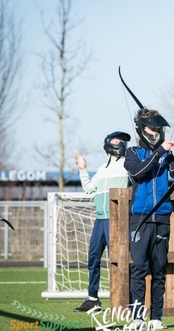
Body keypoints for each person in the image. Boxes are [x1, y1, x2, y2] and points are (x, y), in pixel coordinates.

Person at [125, 108, 174, 330]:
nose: (156, 132)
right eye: (151, 128)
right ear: (141, 129)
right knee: (139, 268)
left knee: (159, 269)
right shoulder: (133, 153)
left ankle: (157, 317)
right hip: (140, 219)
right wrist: (158, 153)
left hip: (162, 218)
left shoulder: (167, 155)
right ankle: (137, 317)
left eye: (158, 129)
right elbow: (138, 173)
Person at [73, 131, 131, 312]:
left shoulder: (127, 165)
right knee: (93, 257)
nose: (121, 144)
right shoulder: (102, 168)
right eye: (117, 141)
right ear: (108, 145)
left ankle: (127, 301)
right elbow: (89, 189)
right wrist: (83, 168)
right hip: (100, 220)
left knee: (121, 260)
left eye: (122, 142)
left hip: (118, 219)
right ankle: (93, 299)